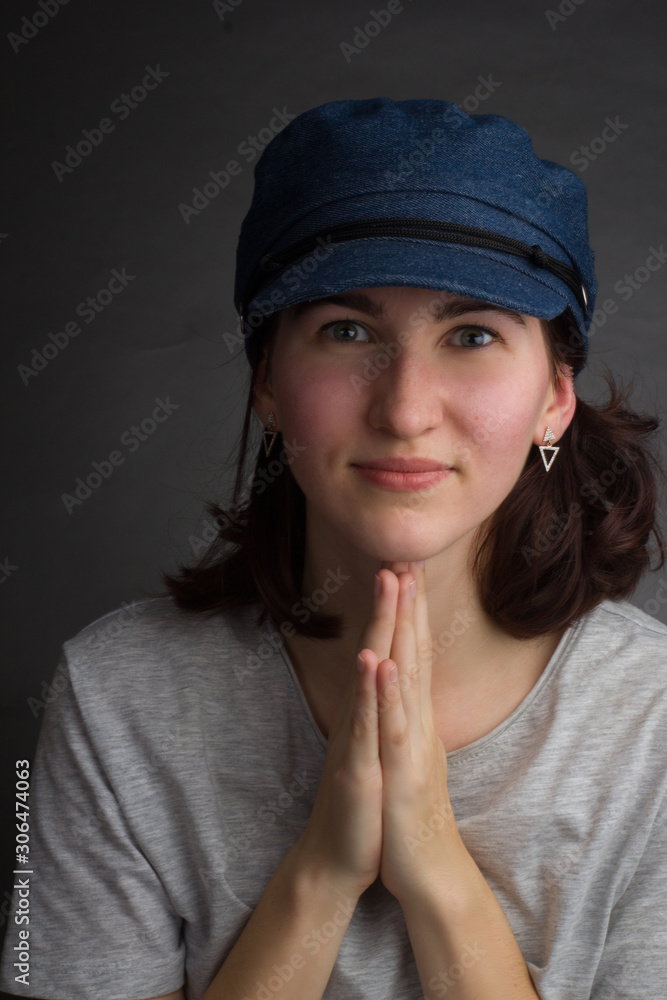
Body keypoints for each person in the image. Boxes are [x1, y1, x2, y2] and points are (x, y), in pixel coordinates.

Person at [1, 97, 665, 1000]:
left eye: (472, 336)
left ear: (554, 397)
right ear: (267, 381)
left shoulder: (653, 723)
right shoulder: (115, 695)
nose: (403, 408)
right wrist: (319, 875)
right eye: (347, 332)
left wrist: (433, 866)